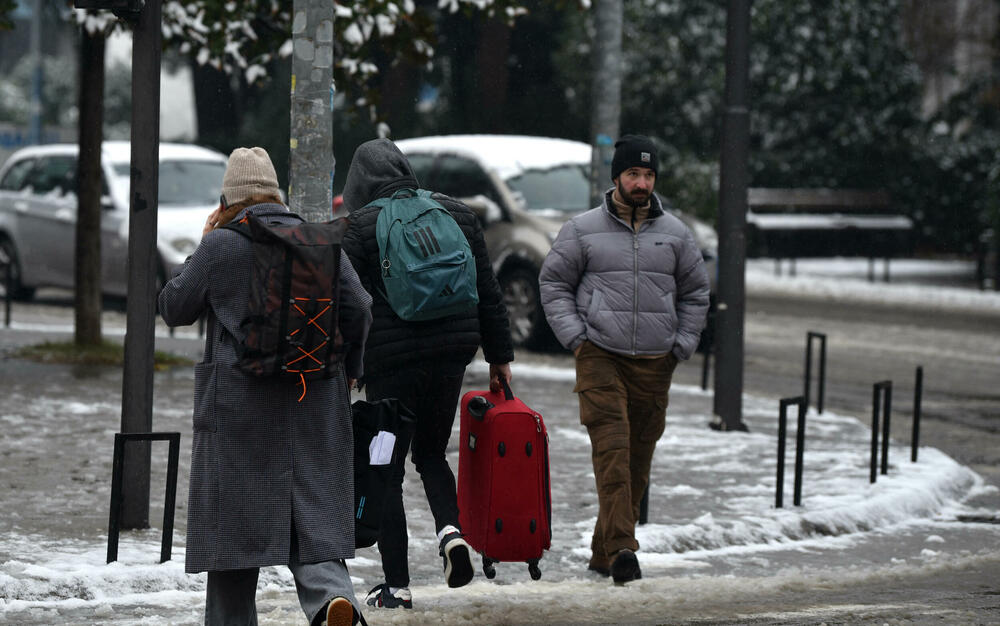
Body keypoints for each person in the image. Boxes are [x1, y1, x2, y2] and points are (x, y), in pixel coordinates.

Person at [158, 147, 373, 626]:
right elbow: (360, 305)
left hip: (239, 405)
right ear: (277, 192)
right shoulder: (317, 240)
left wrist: (204, 244)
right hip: (314, 397)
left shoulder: (222, 245)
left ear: (227, 197)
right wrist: (352, 365)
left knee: (234, 531)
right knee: (311, 513)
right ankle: (332, 602)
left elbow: (174, 307)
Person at [340, 138, 515, 609]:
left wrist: (350, 368)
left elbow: (352, 307)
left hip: (391, 362)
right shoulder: (457, 214)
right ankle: (451, 533)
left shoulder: (359, 227)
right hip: (453, 353)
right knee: (433, 454)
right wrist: (500, 358)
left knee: (388, 469)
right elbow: (489, 291)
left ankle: (396, 585)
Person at [539, 134, 710, 584]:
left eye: (649, 174)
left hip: (656, 361)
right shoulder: (581, 230)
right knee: (612, 453)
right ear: (617, 177)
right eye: (633, 173)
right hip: (600, 356)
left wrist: (682, 344)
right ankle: (622, 552)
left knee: (636, 463)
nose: (641, 182)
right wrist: (577, 339)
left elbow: (696, 292)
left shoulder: (676, 234)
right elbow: (553, 283)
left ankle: (602, 553)